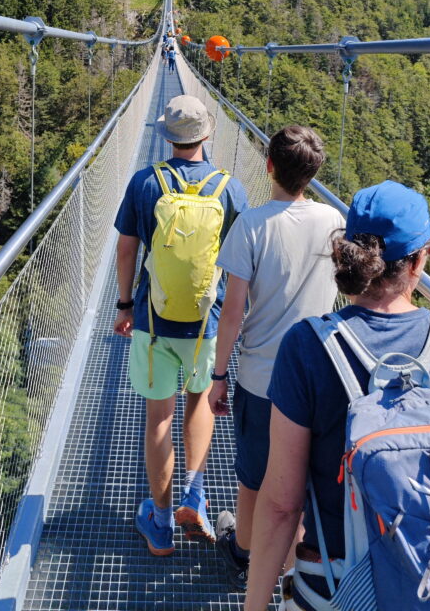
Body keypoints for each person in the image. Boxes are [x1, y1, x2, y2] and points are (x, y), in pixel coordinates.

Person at [244, 180, 430, 611]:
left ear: (347, 253)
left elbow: (280, 504)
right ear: (421, 258)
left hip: (336, 587)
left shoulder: (308, 346)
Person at [208, 125, 345, 591]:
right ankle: (290, 578)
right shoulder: (334, 224)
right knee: (300, 488)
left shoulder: (250, 224)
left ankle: (244, 552)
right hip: (321, 379)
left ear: (268, 166)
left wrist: (218, 374)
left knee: (255, 478)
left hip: (261, 378)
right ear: (313, 172)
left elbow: (231, 313)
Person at [113, 94, 249, 556]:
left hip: (153, 319)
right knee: (199, 406)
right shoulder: (230, 189)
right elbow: (241, 265)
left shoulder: (143, 183)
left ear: (166, 135)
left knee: (158, 420)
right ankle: (195, 494)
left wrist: (124, 305)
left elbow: (127, 250)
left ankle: (161, 521)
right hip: (207, 323)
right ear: (208, 134)